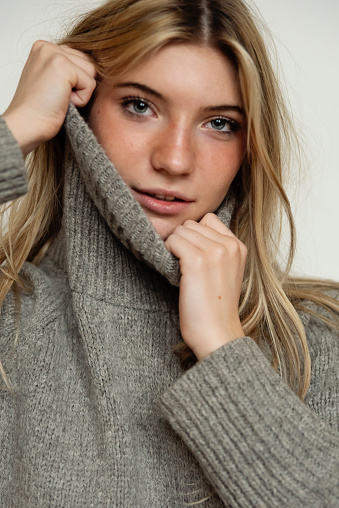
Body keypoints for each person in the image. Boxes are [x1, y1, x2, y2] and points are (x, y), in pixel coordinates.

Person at [1, 0, 339, 506]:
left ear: (252, 146)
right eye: (140, 105)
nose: (175, 159)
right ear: (80, 110)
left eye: (220, 123)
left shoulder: (314, 341)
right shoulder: (9, 313)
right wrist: (17, 126)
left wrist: (224, 350)